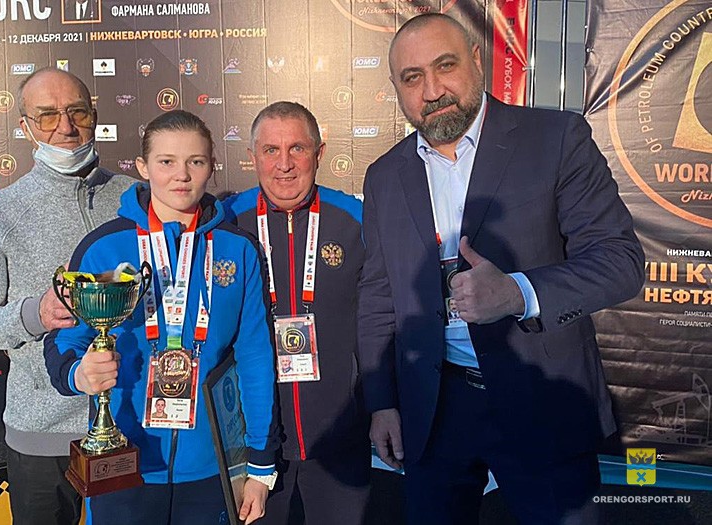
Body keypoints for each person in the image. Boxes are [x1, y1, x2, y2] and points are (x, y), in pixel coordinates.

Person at [359, 13, 644, 524]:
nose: (432, 90)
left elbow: (620, 260)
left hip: (542, 400)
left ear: (476, 59)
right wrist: (383, 402)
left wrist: (518, 293)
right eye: (412, 77)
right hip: (434, 408)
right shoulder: (384, 176)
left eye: (445, 66)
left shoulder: (556, 138)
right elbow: (380, 296)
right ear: (396, 88)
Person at [44, 110, 279, 525]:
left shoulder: (238, 249)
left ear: (212, 166)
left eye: (195, 161)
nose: (181, 175)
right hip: (122, 462)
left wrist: (260, 463)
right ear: (143, 167)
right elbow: (65, 339)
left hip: (211, 466)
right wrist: (78, 373)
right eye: (166, 161)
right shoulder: (103, 247)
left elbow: (255, 356)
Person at [0, 67, 133, 525]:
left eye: (77, 112)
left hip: (133, 426)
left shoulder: (136, 199)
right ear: (25, 127)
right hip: (43, 436)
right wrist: (31, 315)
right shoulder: (1, 213)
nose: (65, 127)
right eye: (47, 116)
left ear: (94, 115)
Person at [224, 101, 370, 525]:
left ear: (319, 153)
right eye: (270, 150)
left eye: (297, 149)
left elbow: (385, 316)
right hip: (254, 445)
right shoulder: (227, 222)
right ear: (252, 156)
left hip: (339, 437)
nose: (284, 164)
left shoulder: (356, 219)